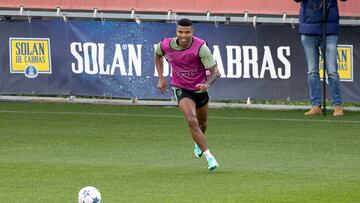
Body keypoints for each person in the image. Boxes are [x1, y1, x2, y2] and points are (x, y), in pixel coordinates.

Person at [154, 18, 220, 170]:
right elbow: (157, 54)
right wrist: (161, 78)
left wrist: (207, 84)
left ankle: (198, 143)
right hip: (180, 87)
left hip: (199, 88)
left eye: (187, 32)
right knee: (191, 120)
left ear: (192, 32)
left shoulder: (201, 48)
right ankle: (209, 157)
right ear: (176, 31)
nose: (183, 35)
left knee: (202, 123)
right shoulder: (166, 44)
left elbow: (214, 72)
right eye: (180, 32)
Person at [294, 0, 346, 116]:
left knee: (332, 70)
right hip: (308, 30)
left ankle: (338, 106)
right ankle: (315, 106)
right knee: (312, 71)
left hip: (329, 31)